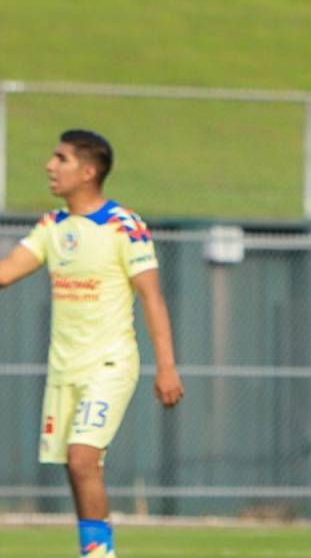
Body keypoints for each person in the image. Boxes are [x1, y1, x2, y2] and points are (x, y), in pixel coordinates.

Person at [0, 130, 183, 558]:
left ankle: (101, 556)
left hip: (110, 363)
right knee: (77, 465)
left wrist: (167, 365)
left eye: (60, 158)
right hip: (65, 368)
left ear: (88, 171)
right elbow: (6, 272)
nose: (49, 165)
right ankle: (93, 551)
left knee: (82, 458)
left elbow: (152, 296)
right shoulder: (52, 225)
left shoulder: (124, 224)